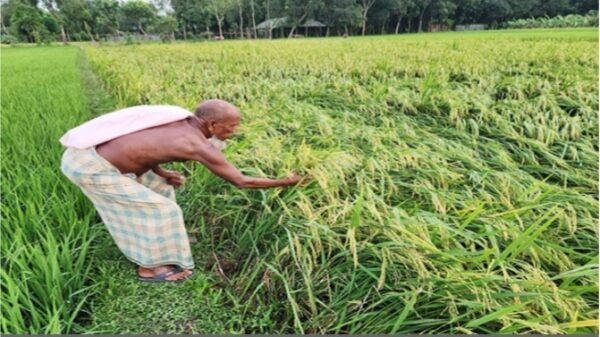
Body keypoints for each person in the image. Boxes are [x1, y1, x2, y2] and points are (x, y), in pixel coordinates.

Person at [60, 99, 305, 282]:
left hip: (99, 156)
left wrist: (163, 172)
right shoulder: (195, 144)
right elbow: (240, 181)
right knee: (162, 210)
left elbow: (146, 148)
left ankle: (165, 243)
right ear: (212, 124)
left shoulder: (179, 120)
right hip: (91, 167)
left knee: (162, 188)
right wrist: (287, 181)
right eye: (231, 127)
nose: (234, 131)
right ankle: (148, 268)